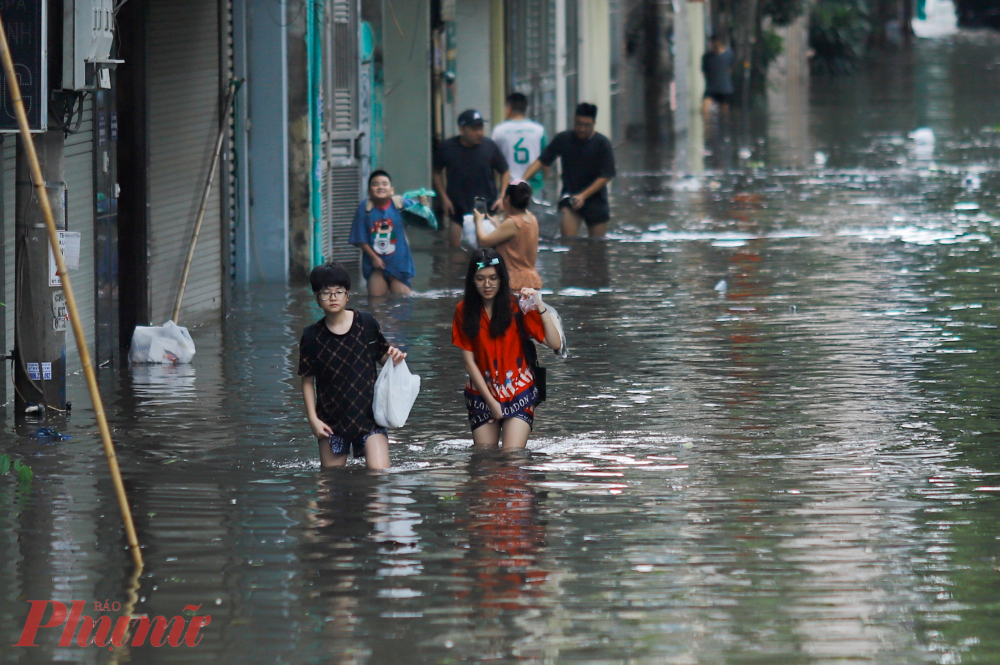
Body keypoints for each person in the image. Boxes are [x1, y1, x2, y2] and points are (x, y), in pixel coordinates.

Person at [299, 263, 407, 470]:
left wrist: (395, 358)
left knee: (378, 477)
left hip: (370, 417)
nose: (333, 298)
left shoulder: (365, 323)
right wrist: (313, 419)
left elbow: (384, 357)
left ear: (347, 295)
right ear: (316, 298)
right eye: (326, 293)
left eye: (339, 292)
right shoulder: (311, 336)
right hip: (331, 421)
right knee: (331, 484)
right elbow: (307, 380)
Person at [452, 249, 562, 450]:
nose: (487, 285)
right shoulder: (463, 310)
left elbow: (554, 343)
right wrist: (491, 402)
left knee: (513, 458)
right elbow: (469, 362)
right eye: (480, 279)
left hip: (519, 390)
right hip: (481, 393)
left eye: (493, 278)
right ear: (472, 280)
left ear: (502, 278)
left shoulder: (518, 306)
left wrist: (539, 305)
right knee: (485, 460)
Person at [522, 103, 616, 239]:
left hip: (596, 201)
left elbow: (606, 175)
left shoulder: (602, 143)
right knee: (569, 245)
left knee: (598, 248)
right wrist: (522, 180)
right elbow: (542, 161)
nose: (582, 129)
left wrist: (583, 196)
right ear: (574, 120)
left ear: (594, 124)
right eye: (578, 124)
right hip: (570, 200)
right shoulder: (564, 139)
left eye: (586, 125)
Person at [433, 109, 511, 247]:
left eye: (481, 127)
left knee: (492, 255)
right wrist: (444, 198)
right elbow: (436, 172)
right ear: (462, 129)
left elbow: (504, 171)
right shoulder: (447, 148)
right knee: (456, 258)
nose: (479, 132)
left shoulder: (490, 146)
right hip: (458, 210)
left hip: (488, 210)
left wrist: (503, 197)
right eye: (474, 128)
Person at [349, 170, 416, 296]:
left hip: (399, 266)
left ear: (391, 190)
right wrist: (374, 258)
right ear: (369, 191)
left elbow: (423, 215)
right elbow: (360, 239)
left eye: (384, 184)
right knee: (376, 303)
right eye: (375, 184)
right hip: (376, 268)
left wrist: (423, 203)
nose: (380, 187)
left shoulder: (400, 204)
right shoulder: (365, 208)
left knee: (403, 303)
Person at [473, 180, 542, 291]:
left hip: (514, 282)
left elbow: (483, 241)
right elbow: (516, 241)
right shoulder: (532, 218)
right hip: (531, 280)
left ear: (508, 199)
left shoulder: (513, 222)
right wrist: (498, 225)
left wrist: (478, 221)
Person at [491, 93, 547, 196]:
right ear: (526, 109)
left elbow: (493, 162)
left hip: (509, 188)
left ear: (509, 108)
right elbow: (546, 161)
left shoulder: (499, 131)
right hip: (534, 188)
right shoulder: (539, 130)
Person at [702, 36, 734, 116]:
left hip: (724, 88)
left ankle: (724, 127)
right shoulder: (707, 57)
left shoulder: (728, 55)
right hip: (711, 88)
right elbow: (705, 70)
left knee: (724, 113)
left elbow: (731, 69)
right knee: (705, 110)